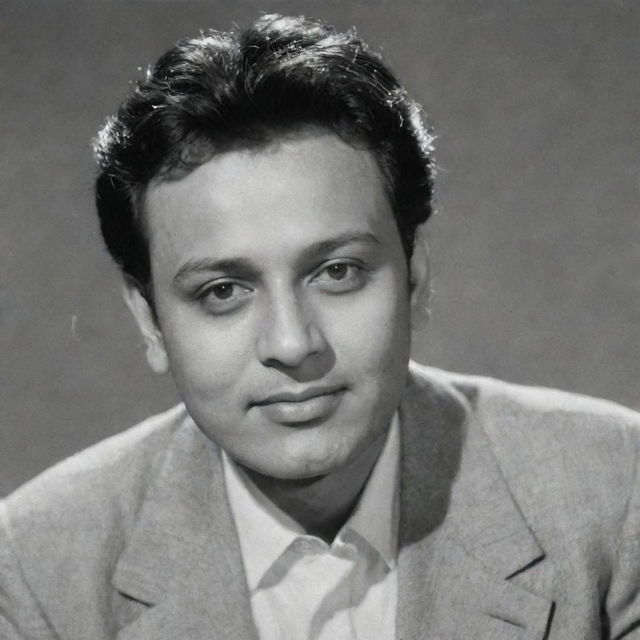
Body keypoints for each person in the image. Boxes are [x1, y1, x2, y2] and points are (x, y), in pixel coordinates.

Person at [1, 13, 639, 640]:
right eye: (223, 291)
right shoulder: (36, 574)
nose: (292, 344)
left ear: (414, 276)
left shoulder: (616, 496)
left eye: (336, 272)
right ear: (151, 321)